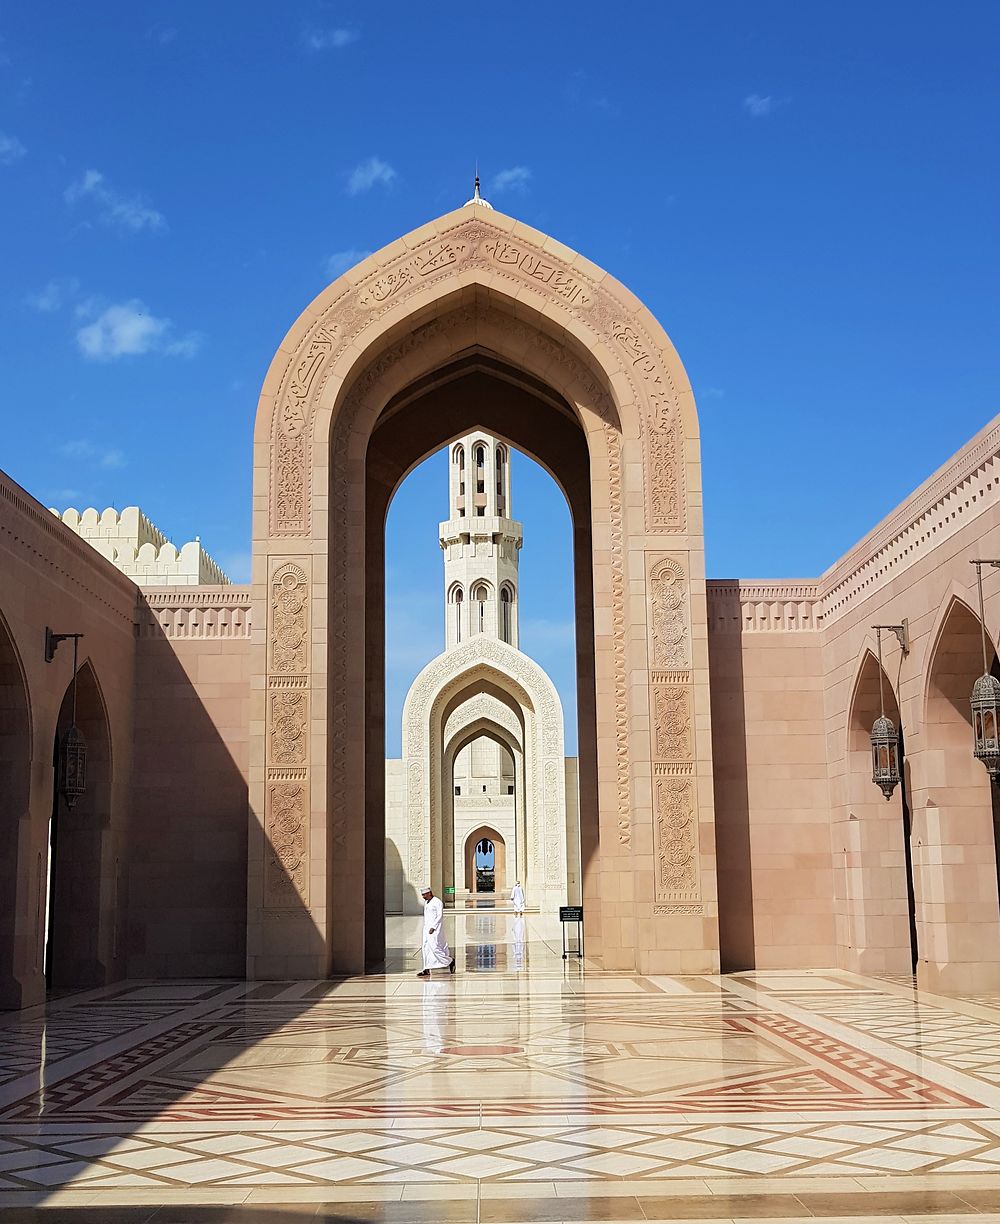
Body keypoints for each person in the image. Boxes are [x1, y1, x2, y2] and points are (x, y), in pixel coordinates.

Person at [417, 885, 455, 977]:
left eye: (424, 895)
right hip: (426, 928)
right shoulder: (427, 902)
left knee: (434, 947)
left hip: (435, 929)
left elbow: (439, 915)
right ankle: (426, 969)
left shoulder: (437, 902)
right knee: (426, 948)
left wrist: (433, 927)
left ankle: (450, 961)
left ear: (429, 893)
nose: (423, 897)